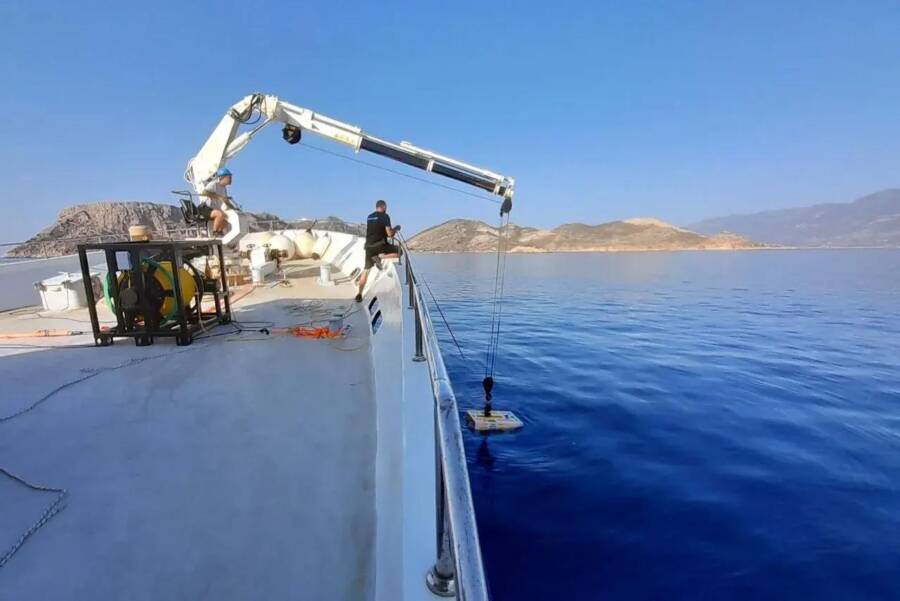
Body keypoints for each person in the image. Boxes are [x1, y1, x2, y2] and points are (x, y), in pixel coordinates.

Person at [356, 199, 400, 302]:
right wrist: (396, 229)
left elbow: (376, 229)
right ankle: (381, 257)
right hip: (380, 245)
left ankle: (359, 294)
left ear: (376, 207)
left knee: (366, 270)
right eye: (386, 207)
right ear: (384, 207)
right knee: (399, 251)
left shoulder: (369, 216)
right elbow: (389, 234)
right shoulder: (385, 216)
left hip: (368, 247)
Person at [199, 167, 238, 236]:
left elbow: (226, 201)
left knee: (227, 217)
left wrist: (234, 208)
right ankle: (215, 232)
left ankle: (219, 231)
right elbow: (204, 192)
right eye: (229, 177)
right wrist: (219, 197)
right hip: (205, 208)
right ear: (222, 178)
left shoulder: (224, 189)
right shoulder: (214, 184)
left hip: (214, 209)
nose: (231, 179)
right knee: (220, 214)